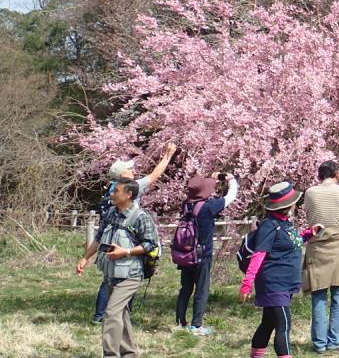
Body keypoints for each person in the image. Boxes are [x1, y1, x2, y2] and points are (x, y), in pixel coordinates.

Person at [90, 143, 177, 324]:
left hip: (109, 235)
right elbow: (154, 176)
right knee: (125, 275)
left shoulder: (111, 189)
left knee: (109, 277)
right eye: (129, 168)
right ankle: (119, 317)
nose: (133, 170)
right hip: (125, 238)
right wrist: (168, 156)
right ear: (123, 175)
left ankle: (100, 315)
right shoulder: (129, 188)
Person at [75, 180, 160, 358]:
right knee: (121, 314)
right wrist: (85, 258)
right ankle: (129, 354)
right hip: (111, 275)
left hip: (131, 275)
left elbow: (151, 244)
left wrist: (126, 251)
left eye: (116, 191)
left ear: (128, 195)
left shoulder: (140, 217)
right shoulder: (111, 213)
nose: (112, 193)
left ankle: (110, 355)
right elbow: (98, 239)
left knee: (111, 313)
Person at [241, 181, 323, 358]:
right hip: (273, 284)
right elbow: (259, 254)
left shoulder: (285, 223)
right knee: (283, 325)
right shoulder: (269, 226)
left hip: (286, 283)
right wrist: (247, 283)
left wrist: (308, 234)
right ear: (288, 205)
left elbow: (290, 243)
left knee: (268, 323)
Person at [302, 161, 339, 353]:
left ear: (319, 175)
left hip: (317, 246)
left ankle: (319, 343)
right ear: (337, 174)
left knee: (318, 297)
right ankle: (334, 341)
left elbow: (309, 216)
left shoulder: (310, 192)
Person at [175, 172, 238, 336]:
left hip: (186, 254)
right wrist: (231, 180)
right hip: (203, 255)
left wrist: (210, 179)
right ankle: (196, 325)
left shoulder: (186, 205)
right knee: (201, 289)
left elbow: (198, 189)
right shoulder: (209, 207)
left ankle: (180, 321)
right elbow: (231, 196)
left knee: (186, 288)